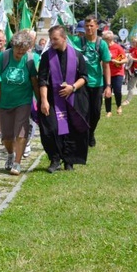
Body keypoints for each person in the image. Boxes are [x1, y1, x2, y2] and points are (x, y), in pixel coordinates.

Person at [38, 25, 89, 172]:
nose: (52, 42)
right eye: (51, 39)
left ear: (64, 38)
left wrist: (72, 87)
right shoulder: (47, 56)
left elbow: (84, 77)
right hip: (52, 99)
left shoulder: (77, 55)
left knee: (72, 130)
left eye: (55, 39)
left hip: (73, 98)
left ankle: (69, 161)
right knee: (51, 129)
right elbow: (42, 80)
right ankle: (55, 159)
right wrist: (44, 101)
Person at [0, 30, 39, 176]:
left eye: (24, 49)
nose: (20, 52)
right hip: (5, 101)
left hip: (23, 101)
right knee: (7, 137)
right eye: (18, 48)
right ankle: (10, 154)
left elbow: (34, 81)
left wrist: (39, 100)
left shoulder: (30, 59)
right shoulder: (3, 57)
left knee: (21, 133)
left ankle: (17, 163)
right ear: (13, 46)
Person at [70, 16, 111, 147]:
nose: (89, 28)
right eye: (87, 26)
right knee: (83, 112)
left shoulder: (101, 44)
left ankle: (91, 132)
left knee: (96, 113)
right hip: (82, 83)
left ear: (96, 27)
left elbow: (106, 65)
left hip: (97, 83)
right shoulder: (77, 41)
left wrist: (108, 85)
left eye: (91, 26)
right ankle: (84, 137)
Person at [102, 31, 126, 116]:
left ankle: (119, 106)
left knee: (117, 91)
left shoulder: (118, 47)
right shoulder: (103, 47)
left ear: (110, 39)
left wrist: (116, 61)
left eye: (104, 39)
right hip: (106, 73)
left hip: (117, 72)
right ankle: (108, 111)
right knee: (107, 92)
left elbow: (125, 59)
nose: (103, 40)